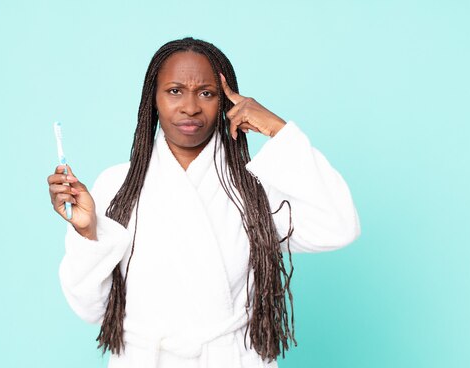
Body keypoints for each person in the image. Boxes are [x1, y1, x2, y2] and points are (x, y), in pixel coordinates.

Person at [47, 37, 360, 368]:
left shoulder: (254, 186)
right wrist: (88, 233)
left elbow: (340, 227)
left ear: (226, 102)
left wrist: (281, 134)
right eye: (174, 91)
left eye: (207, 93)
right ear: (152, 100)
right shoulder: (117, 185)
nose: (190, 107)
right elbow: (90, 309)